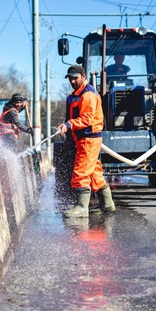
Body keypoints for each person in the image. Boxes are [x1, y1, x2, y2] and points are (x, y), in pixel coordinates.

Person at [58, 65, 116, 218]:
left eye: (75, 78)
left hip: (88, 139)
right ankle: (107, 205)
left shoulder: (88, 94)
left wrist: (69, 125)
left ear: (83, 76)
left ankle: (81, 207)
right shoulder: (76, 95)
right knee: (94, 172)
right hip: (84, 139)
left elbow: (87, 119)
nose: (72, 81)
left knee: (81, 171)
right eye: (70, 78)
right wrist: (66, 126)